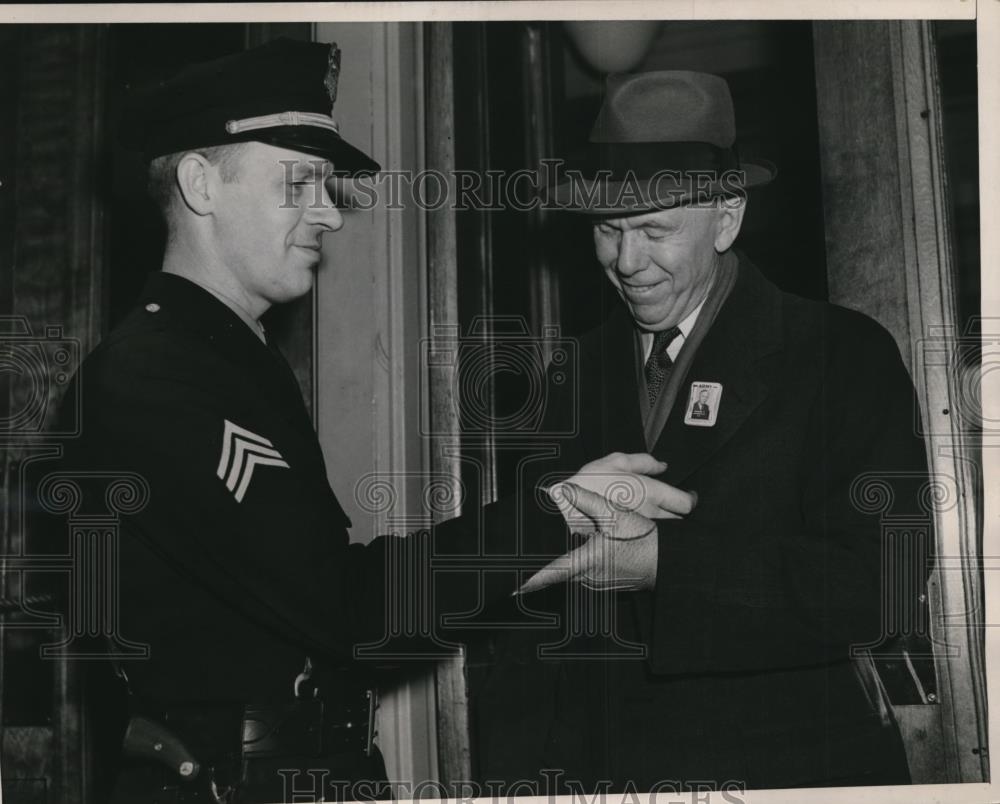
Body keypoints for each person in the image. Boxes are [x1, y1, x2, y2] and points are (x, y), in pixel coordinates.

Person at [51, 39, 683, 803]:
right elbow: (349, 610)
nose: (330, 214)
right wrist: (560, 512)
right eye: (300, 183)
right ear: (199, 184)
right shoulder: (157, 376)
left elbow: (313, 599)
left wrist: (561, 549)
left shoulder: (224, 358)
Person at [475, 70, 931, 792]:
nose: (626, 264)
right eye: (607, 229)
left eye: (654, 230)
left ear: (726, 219)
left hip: (788, 767)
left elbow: (884, 584)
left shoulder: (841, 353)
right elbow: (536, 620)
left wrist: (666, 567)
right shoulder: (569, 372)